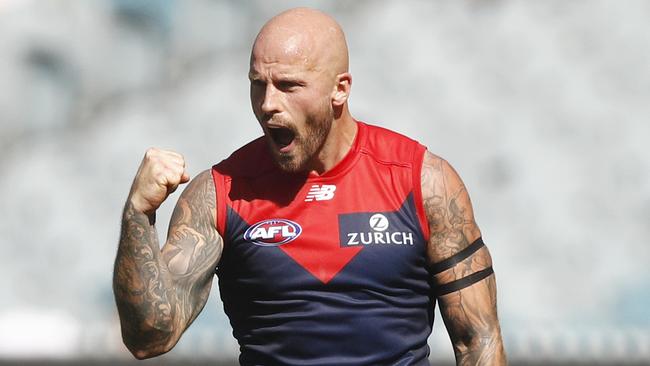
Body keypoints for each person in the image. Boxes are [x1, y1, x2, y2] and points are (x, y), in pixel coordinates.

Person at [113, 7, 507, 366]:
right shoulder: (219, 194)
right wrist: (138, 215)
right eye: (258, 84)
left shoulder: (423, 182)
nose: (268, 103)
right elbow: (149, 338)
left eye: (288, 85)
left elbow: (479, 341)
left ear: (341, 89)